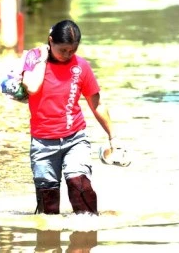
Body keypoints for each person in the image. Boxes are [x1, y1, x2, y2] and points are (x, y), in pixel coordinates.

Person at [21, 19, 120, 215]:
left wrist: (113, 137)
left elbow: (97, 104)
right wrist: (42, 57)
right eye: (63, 50)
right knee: (47, 204)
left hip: (75, 139)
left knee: (79, 185)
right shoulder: (33, 58)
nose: (67, 55)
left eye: (72, 51)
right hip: (42, 143)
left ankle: (88, 236)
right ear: (51, 41)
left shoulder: (81, 66)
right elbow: (31, 87)